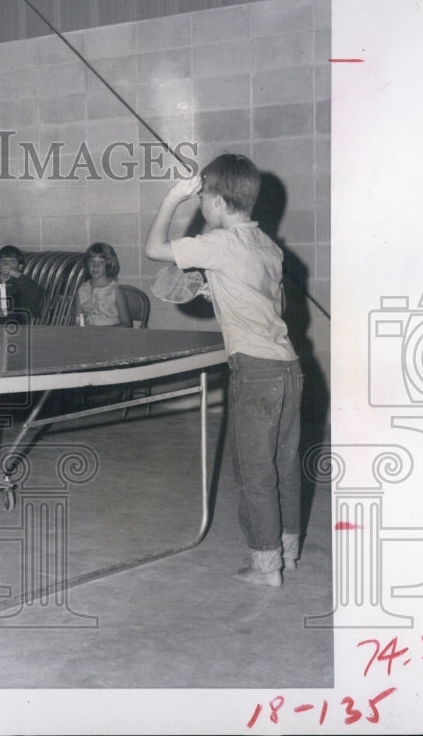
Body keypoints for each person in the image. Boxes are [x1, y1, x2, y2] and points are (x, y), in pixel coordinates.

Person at [144, 153, 302, 587]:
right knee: (283, 465)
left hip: (255, 372)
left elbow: (153, 249)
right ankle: (289, 549)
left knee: (253, 469)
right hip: (289, 368)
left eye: (202, 198)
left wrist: (174, 198)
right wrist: (225, 293)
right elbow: (278, 305)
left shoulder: (218, 244)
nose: (201, 206)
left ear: (214, 201)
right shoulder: (269, 246)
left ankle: (266, 566)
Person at [75, 242, 132, 327]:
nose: (95, 266)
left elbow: (126, 324)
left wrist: (102, 331)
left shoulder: (116, 291)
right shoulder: (82, 290)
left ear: (108, 265)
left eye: (100, 263)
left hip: (112, 336)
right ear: (87, 263)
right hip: (88, 337)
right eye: (92, 262)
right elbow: (77, 321)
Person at [0, 245, 45, 324]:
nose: (8, 264)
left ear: (20, 267)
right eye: (4, 261)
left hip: (19, 322)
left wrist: (17, 274)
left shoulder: (23, 282)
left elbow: (37, 295)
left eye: (12, 261)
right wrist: (3, 280)